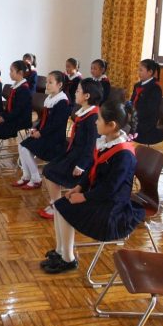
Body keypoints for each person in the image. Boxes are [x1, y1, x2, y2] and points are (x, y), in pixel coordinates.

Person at [42, 98, 144, 274]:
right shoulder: (105, 141)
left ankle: (68, 260)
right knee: (59, 205)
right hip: (98, 195)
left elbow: (111, 188)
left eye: (99, 119)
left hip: (112, 207)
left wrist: (84, 197)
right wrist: (79, 187)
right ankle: (61, 251)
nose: (96, 121)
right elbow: (91, 169)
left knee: (66, 210)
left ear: (111, 125)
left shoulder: (124, 154)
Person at [39, 79, 102, 220]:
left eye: (78, 90)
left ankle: (57, 206)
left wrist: (82, 165)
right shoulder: (84, 112)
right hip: (74, 152)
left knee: (50, 171)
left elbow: (91, 145)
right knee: (49, 169)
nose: (75, 92)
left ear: (87, 96)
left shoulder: (93, 117)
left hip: (82, 159)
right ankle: (56, 203)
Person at [15, 71, 70, 189]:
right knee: (21, 146)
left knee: (25, 149)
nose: (47, 85)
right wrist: (36, 128)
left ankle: (36, 179)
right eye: (47, 82)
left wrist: (41, 132)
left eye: (50, 82)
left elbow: (56, 124)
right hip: (46, 134)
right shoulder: (50, 98)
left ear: (59, 85)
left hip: (54, 139)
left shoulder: (62, 102)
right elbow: (45, 120)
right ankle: (26, 176)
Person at [131, 59, 163, 144]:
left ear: (150, 72)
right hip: (135, 117)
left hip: (146, 122)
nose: (138, 72)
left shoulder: (155, 88)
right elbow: (132, 101)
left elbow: (149, 110)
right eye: (138, 70)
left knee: (121, 129)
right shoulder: (137, 85)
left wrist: (132, 116)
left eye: (141, 70)